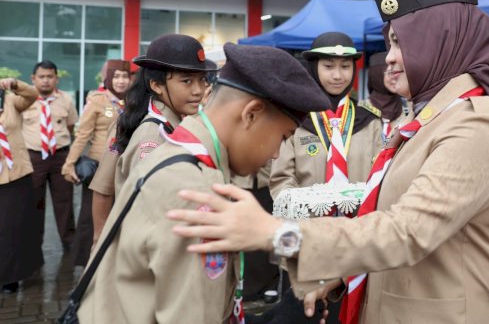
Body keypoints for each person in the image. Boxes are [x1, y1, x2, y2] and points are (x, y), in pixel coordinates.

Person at [166, 0, 489, 324]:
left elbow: (407, 231)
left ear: (441, 42)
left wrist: (277, 234)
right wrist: (339, 275)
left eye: (402, 43)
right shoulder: (434, 118)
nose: (392, 58)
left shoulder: (471, 125)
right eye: (390, 43)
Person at [75, 43, 331, 323]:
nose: (275, 154)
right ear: (251, 114)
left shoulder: (182, 157)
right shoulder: (194, 190)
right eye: (283, 137)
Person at [87, 34, 218, 245]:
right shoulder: (154, 133)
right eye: (186, 81)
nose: (198, 90)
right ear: (157, 85)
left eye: (202, 80)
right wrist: (100, 242)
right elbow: (107, 189)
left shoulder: (181, 120)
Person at [269, 31, 383, 199]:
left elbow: (379, 176)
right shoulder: (293, 118)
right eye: (328, 66)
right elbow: (281, 179)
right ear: (314, 68)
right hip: (309, 222)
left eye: (345, 66)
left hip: (359, 223)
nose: (337, 75)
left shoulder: (369, 121)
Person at [61, 60, 131, 266]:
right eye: (116, 76)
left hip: (126, 167)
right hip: (99, 167)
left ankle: (118, 259)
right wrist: (69, 164)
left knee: (122, 212)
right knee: (90, 218)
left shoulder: (135, 100)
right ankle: (88, 262)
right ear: (108, 78)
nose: (121, 81)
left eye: (125, 76)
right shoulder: (97, 101)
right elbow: (82, 135)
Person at [22, 60, 79, 252]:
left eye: (50, 76)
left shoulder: (66, 100)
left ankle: (69, 243)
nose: (46, 81)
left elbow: (70, 126)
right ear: (33, 79)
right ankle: (33, 245)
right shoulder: (23, 100)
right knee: (34, 202)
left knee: (64, 202)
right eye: (41, 77)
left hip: (59, 157)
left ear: (56, 78)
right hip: (33, 158)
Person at [0, 78, 43, 293]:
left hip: (15, 173)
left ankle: (10, 276)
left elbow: (33, 95)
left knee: (12, 227)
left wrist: (14, 85)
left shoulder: (9, 101)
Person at [367, 51, 409, 141]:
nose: (395, 78)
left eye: (397, 73)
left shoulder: (409, 109)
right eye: (390, 73)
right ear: (377, 75)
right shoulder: (360, 111)